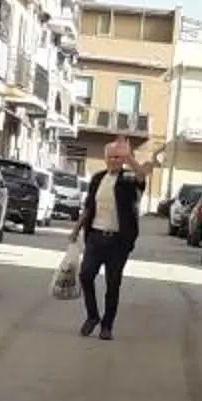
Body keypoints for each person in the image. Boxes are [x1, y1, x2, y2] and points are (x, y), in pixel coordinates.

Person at [73, 143, 142, 339]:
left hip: (118, 241)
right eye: (111, 157)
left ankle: (107, 326)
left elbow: (142, 177)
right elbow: (88, 208)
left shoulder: (128, 179)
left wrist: (129, 158)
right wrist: (76, 229)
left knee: (113, 285)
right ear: (105, 158)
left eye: (118, 158)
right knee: (86, 276)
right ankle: (92, 316)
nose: (114, 160)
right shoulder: (97, 179)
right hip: (95, 237)